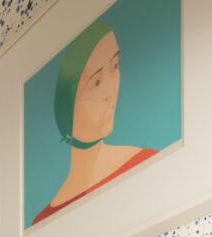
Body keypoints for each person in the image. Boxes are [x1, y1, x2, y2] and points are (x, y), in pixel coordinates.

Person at [31, 23, 158, 225]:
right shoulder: (43, 222)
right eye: (95, 83)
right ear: (67, 105)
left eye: (115, 67)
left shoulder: (146, 163)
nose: (110, 92)